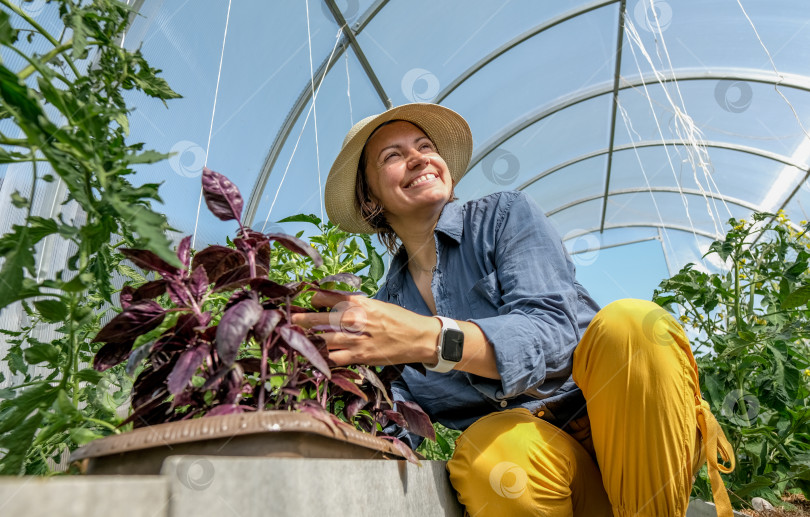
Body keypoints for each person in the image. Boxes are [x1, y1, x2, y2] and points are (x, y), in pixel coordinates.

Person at [291, 103, 735, 517]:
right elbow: (398, 421)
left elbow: (555, 334)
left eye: (426, 147)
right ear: (370, 199)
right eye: (393, 154)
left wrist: (432, 338)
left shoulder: (502, 217)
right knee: (488, 457)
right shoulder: (386, 309)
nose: (419, 158)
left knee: (634, 325)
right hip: (548, 464)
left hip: (631, 427)